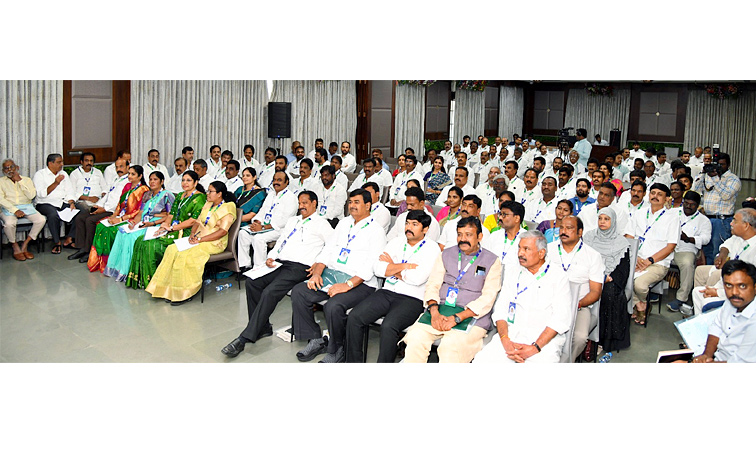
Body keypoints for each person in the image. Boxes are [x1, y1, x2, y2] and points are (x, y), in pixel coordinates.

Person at [221, 190, 334, 358]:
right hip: (281, 262)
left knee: (270, 292)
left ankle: (245, 338)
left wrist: (319, 263)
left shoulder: (321, 223)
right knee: (252, 282)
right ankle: (263, 327)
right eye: (300, 203)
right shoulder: (293, 221)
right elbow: (281, 241)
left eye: (305, 203)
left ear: (314, 203)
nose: (301, 206)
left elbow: (333, 246)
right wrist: (271, 256)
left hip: (300, 267)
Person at [289, 189, 387, 363]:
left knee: (333, 306)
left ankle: (337, 349)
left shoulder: (376, 230)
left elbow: (371, 265)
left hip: (361, 282)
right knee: (299, 291)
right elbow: (328, 249)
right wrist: (317, 272)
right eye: (350, 202)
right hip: (333, 274)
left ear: (367, 205)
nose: (352, 206)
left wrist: (347, 285)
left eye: (356, 202)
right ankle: (316, 339)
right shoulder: (344, 223)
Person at [345, 209, 441, 363]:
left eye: (414, 224)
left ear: (425, 229)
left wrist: (391, 266)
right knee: (355, 317)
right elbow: (378, 268)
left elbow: (417, 278)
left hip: (412, 298)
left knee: (389, 326)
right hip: (387, 292)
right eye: (407, 223)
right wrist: (404, 267)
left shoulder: (432, 248)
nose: (408, 228)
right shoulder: (396, 242)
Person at [473, 230, 571, 363]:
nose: (520, 253)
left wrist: (534, 347)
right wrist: (505, 339)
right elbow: (500, 310)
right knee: (482, 361)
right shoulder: (513, 272)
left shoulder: (558, 276)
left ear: (541, 253)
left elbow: (560, 319)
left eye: (526, 249)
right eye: (519, 248)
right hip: (511, 335)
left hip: (543, 343)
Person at [146, 181, 237, 305]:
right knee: (172, 249)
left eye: (211, 191)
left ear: (219, 194)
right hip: (198, 238)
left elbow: (222, 232)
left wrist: (200, 240)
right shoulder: (208, 204)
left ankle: (184, 293)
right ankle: (166, 290)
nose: (208, 194)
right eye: (208, 191)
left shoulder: (228, 207)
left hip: (214, 242)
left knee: (185, 256)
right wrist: (192, 235)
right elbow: (197, 222)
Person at [126, 171, 207, 290]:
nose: (185, 183)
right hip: (171, 228)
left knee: (151, 245)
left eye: (188, 180)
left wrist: (172, 228)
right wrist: (163, 226)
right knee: (141, 240)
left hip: (186, 232)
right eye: (183, 180)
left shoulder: (200, 198)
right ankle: (142, 280)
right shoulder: (180, 195)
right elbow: (171, 215)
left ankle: (156, 284)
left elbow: (193, 220)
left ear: (196, 182)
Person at [547, 216, 604, 360]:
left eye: (569, 228)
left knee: (580, 337)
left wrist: (577, 304)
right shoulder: (548, 250)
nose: (563, 231)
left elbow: (596, 292)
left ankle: (566, 362)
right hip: (548, 301)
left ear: (580, 232)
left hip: (579, 305)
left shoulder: (593, 255)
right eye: (561, 227)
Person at [103, 171, 175, 281]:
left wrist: (153, 222)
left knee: (131, 237)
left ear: (162, 181)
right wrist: (133, 223)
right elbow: (141, 213)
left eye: (155, 179)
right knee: (122, 232)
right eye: (150, 179)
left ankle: (129, 272)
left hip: (157, 224)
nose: (152, 182)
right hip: (144, 221)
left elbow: (170, 215)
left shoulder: (167, 194)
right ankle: (117, 269)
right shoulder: (147, 194)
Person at [631, 183, 681, 325]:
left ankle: (640, 304)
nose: (655, 196)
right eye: (653, 193)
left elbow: (671, 246)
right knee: (619, 278)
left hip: (658, 263)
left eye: (660, 194)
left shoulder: (673, 217)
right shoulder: (639, 213)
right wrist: (636, 258)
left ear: (666, 198)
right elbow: (629, 236)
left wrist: (649, 261)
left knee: (639, 285)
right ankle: (640, 305)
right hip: (636, 259)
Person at [583, 207, 632, 352]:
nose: (602, 222)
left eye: (606, 219)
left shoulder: (621, 242)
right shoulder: (589, 237)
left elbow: (623, 268)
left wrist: (608, 278)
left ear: (613, 221)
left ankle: (604, 341)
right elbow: (583, 258)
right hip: (590, 275)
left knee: (610, 294)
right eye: (600, 218)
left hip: (609, 278)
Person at [692, 208, 756, 315]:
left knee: (706, 301)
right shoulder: (738, 237)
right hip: (726, 284)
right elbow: (726, 245)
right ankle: (700, 327)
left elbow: (747, 288)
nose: (731, 223)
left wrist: (718, 292)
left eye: (735, 221)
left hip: (740, 295)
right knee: (697, 292)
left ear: (746, 225)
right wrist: (722, 255)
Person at [690, 260, 756, 363]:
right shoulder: (731, 303)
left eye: (742, 286)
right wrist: (706, 355)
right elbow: (716, 328)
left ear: (755, 287)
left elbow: (740, 363)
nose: (734, 292)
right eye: (728, 285)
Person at [87, 165, 149, 272]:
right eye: (129, 173)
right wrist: (114, 216)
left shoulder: (144, 190)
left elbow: (138, 211)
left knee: (111, 230)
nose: (129, 176)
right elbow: (119, 205)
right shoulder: (127, 186)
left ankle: (112, 263)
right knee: (101, 225)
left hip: (132, 219)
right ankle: (99, 262)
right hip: (120, 216)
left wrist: (120, 220)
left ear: (140, 176)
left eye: (133, 174)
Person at [67, 158, 131, 263]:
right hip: (104, 206)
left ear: (128, 167)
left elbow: (118, 201)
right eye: (116, 167)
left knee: (90, 220)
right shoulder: (116, 179)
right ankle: (81, 248)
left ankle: (89, 251)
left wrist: (103, 209)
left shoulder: (127, 181)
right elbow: (107, 195)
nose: (118, 169)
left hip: (114, 211)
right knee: (80, 217)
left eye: (121, 167)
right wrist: (98, 206)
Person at [237, 170, 298, 270]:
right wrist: (257, 222)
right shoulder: (271, 195)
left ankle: (259, 268)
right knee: (243, 233)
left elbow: (285, 221)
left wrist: (263, 227)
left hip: (279, 230)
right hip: (264, 227)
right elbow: (262, 211)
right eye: (274, 180)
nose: (276, 182)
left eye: (279, 180)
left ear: (287, 182)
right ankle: (245, 266)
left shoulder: (291, 197)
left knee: (258, 239)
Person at [666, 191, 712, 312]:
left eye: (692, 204)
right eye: (686, 203)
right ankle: (655, 291)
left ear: (697, 205)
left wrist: (689, 239)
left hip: (686, 249)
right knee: (655, 258)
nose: (688, 206)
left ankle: (681, 298)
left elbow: (706, 239)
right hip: (668, 246)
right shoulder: (672, 212)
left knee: (687, 264)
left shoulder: (704, 220)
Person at [693, 153, 742, 264]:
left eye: (722, 164)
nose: (719, 167)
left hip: (722, 220)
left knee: (718, 250)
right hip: (706, 219)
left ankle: (716, 275)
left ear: (728, 165)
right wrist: (703, 173)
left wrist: (715, 178)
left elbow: (726, 195)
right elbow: (696, 189)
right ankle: (706, 274)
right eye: (717, 164)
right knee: (706, 251)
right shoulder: (708, 176)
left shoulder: (733, 179)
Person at [0, 159, 46, 261]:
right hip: (8, 208)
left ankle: (25, 244)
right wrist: (14, 210)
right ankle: (15, 246)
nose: (10, 170)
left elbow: (32, 195)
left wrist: (20, 181)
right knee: (9, 223)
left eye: (12, 167)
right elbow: (1, 199)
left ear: (17, 167)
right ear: (3, 171)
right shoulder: (1, 181)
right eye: (6, 168)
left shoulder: (27, 180)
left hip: (26, 207)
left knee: (41, 220)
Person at [32, 153, 77, 254]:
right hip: (45, 203)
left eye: (62, 162)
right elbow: (41, 194)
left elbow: (70, 191)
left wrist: (71, 202)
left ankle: (69, 238)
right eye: (59, 162)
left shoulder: (64, 174)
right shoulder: (40, 174)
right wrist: (56, 183)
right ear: (50, 163)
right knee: (53, 215)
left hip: (62, 202)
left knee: (79, 211)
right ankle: (57, 242)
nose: (61, 164)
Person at [481, 200, 524, 271]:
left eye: (504, 214)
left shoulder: (526, 238)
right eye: (500, 214)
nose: (500, 218)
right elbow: (483, 259)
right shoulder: (495, 235)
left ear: (517, 218)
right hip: (492, 277)